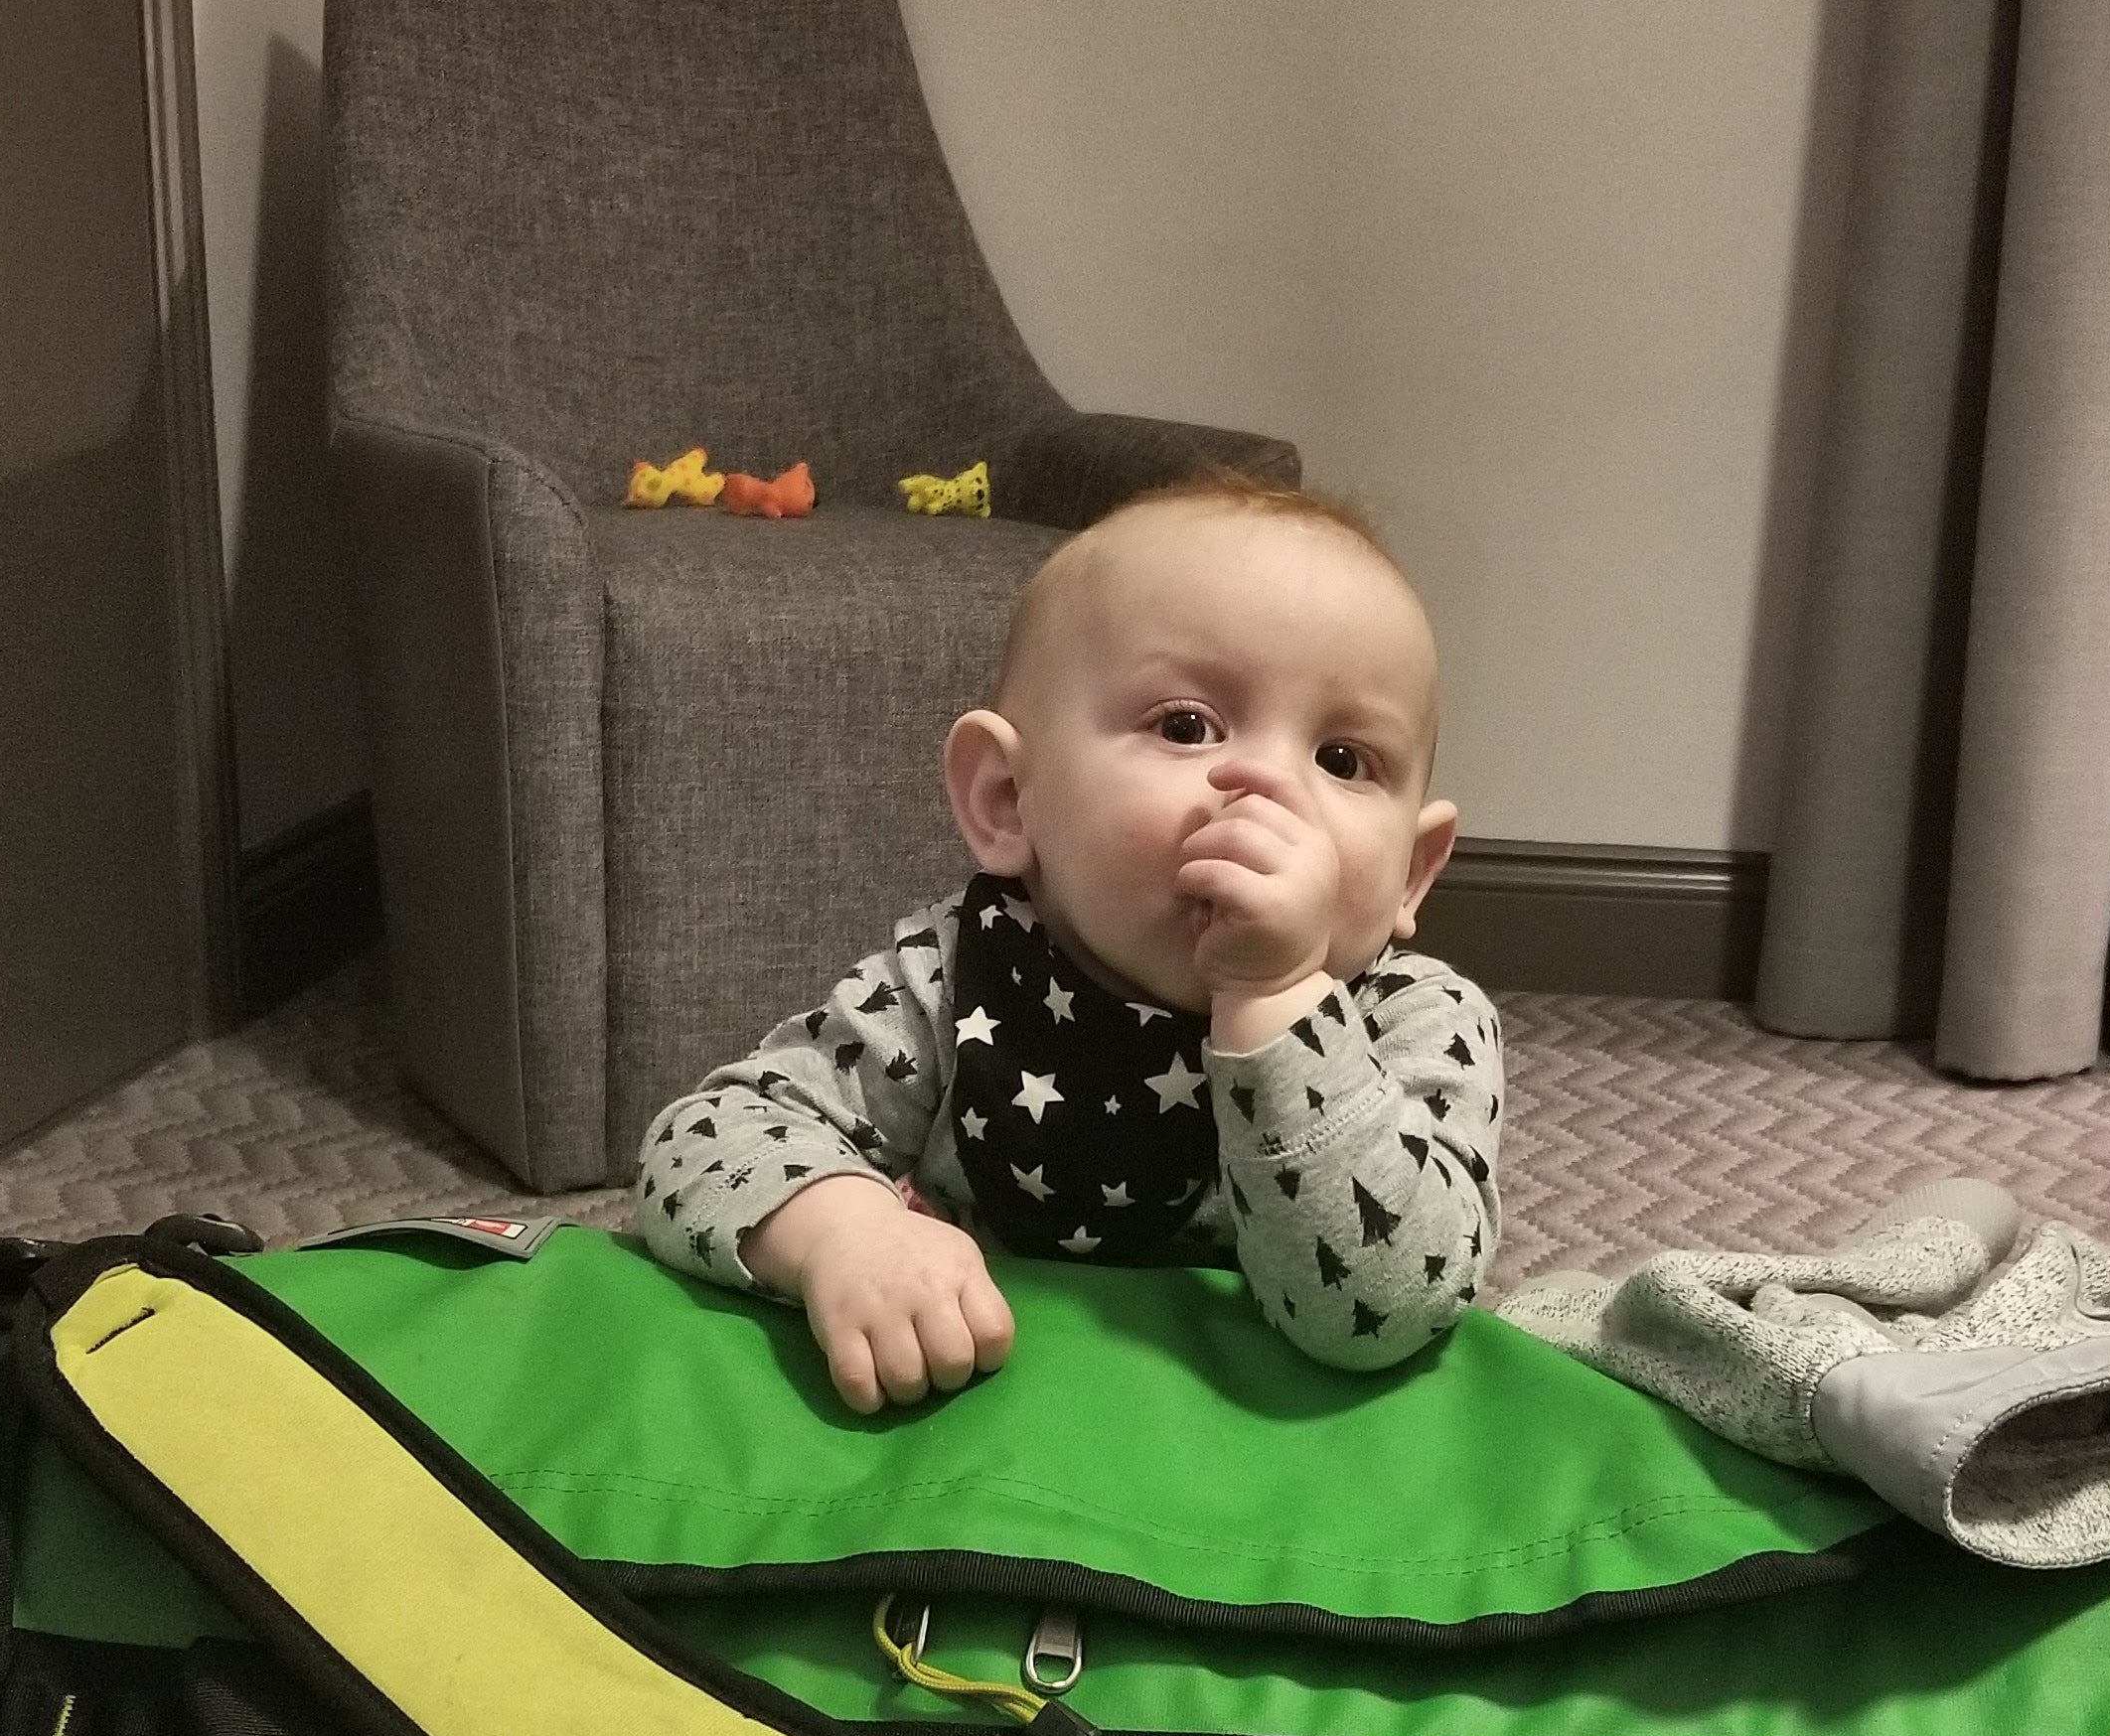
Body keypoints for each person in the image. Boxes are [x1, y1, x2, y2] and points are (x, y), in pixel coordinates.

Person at [630, 469, 1504, 1407]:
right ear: (1009, 800)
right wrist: (839, 1231)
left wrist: (1278, 995)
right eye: (1187, 726)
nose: (1271, 788)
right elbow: (697, 1145)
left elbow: (1389, 1309)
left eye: (1342, 759)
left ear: (1412, 873)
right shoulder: (952, 978)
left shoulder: (1420, 1021)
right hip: (992, 1433)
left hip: (1270, 1468)